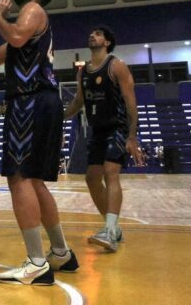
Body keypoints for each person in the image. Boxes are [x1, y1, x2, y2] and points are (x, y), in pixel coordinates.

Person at [0, 0, 77, 285]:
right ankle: (60, 252)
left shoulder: (32, 11)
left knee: (18, 178)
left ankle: (36, 262)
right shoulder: (29, 23)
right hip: (40, 101)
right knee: (35, 181)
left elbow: (14, 36)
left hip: (30, 100)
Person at [64, 26, 144, 252]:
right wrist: (59, 116)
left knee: (111, 172)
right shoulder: (84, 72)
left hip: (116, 127)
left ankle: (109, 230)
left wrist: (132, 136)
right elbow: (78, 102)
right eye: (91, 33)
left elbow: (130, 102)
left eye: (98, 34)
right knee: (91, 178)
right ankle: (113, 227)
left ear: (107, 42)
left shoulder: (116, 65)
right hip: (96, 130)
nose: (92, 35)